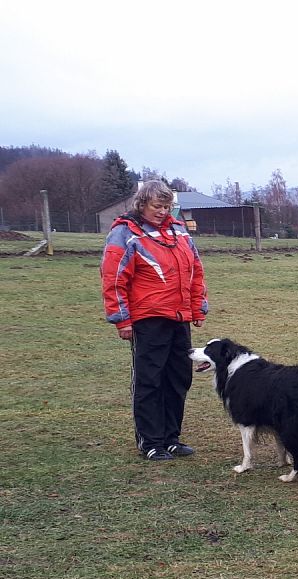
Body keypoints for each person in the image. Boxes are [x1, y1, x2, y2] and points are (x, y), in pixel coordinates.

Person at [101, 180, 208, 461]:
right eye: (156, 206)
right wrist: (121, 319)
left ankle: (171, 437)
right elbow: (114, 278)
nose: (162, 211)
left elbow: (194, 269)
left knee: (179, 378)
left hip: (179, 317)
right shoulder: (125, 233)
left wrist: (198, 308)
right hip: (148, 319)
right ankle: (150, 441)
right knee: (150, 380)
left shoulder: (180, 232)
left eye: (166, 206)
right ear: (142, 204)